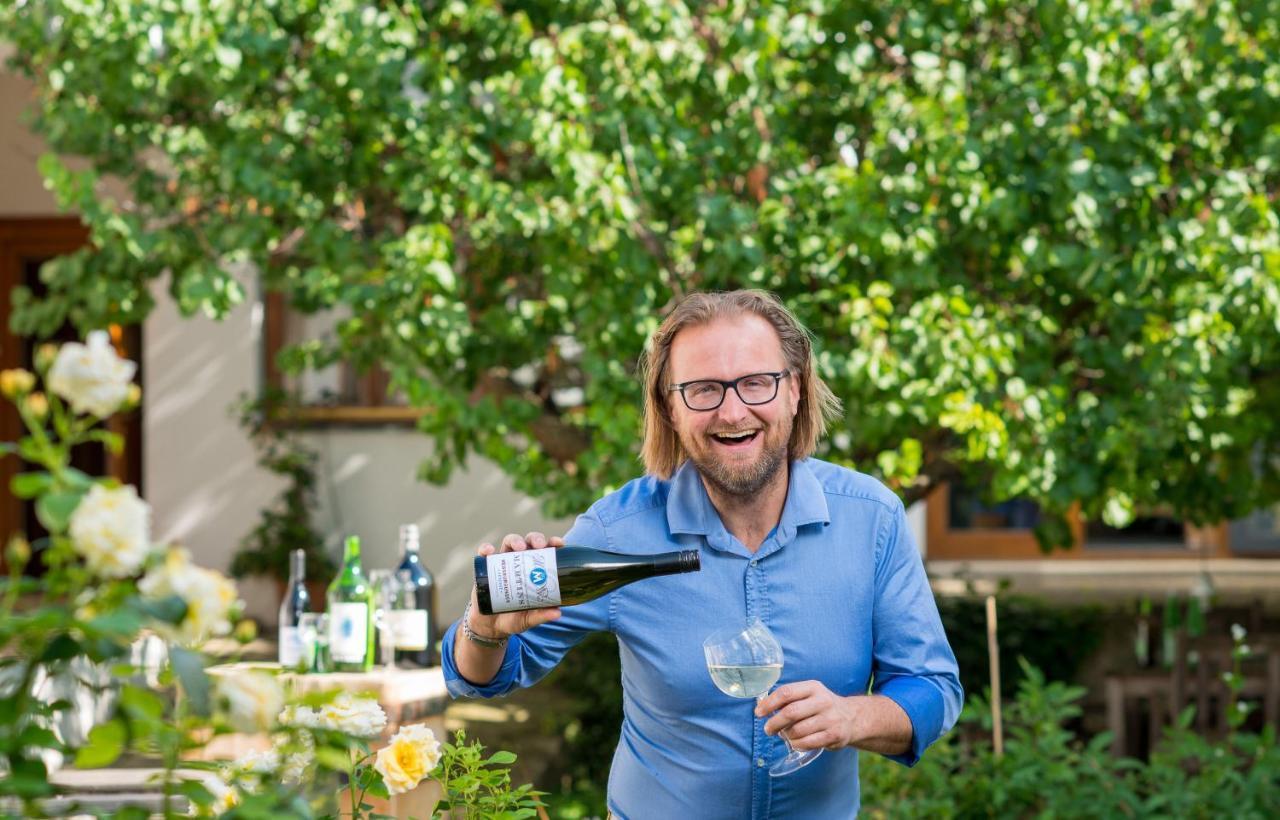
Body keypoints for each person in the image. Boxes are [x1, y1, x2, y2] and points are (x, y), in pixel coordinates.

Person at [442, 289, 962, 819]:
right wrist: (484, 628)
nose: (733, 412)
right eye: (704, 390)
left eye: (757, 382)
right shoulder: (618, 533)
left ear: (795, 391)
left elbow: (933, 689)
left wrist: (855, 717)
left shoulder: (871, 518)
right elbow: (479, 676)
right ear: (669, 407)